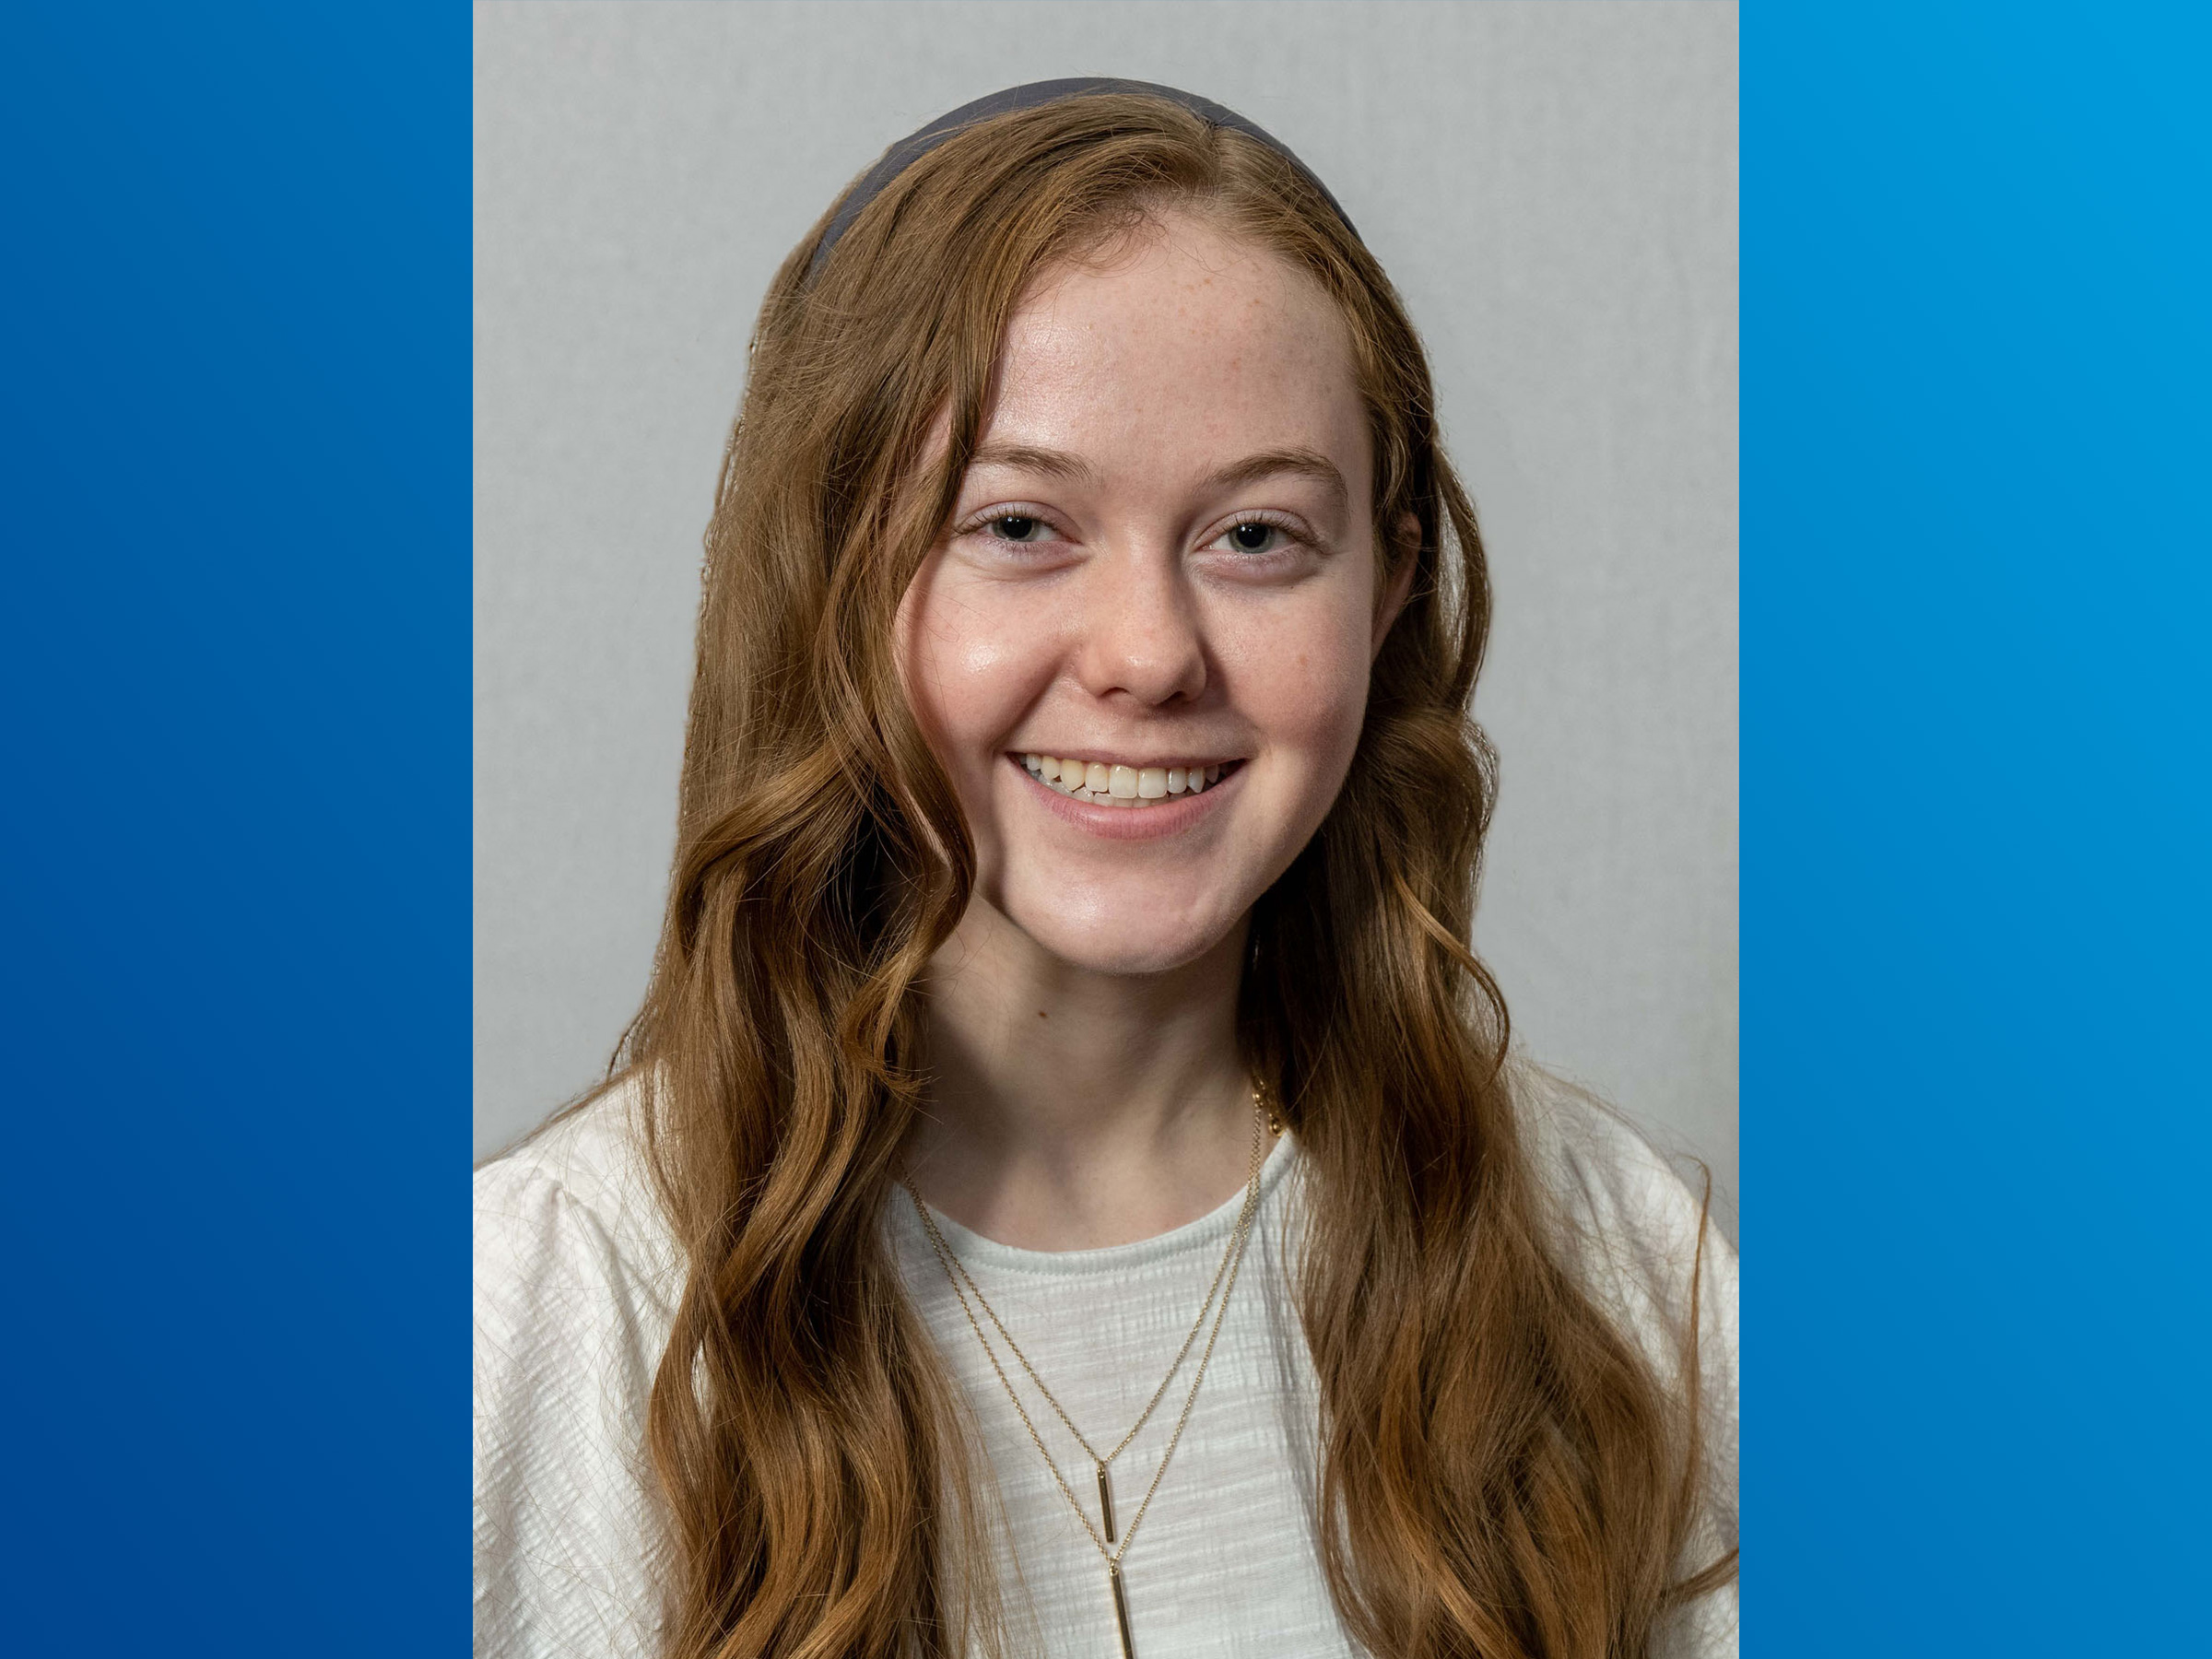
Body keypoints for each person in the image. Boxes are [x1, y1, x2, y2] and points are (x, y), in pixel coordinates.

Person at [474, 80, 1737, 1659]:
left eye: (1258, 537)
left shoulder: (1620, 1266)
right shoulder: (531, 1323)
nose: (1148, 655)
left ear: (1389, 587)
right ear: (827, 579)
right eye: (1018, 525)